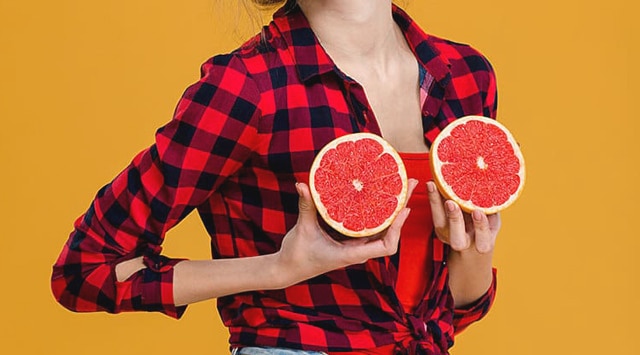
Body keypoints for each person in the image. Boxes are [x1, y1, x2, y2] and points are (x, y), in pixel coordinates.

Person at [51, 0, 501, 354]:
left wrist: (475, 249)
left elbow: (456, 307)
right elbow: (84, 270)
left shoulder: (464, 76)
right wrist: (276, 269)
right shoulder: (247, 86)